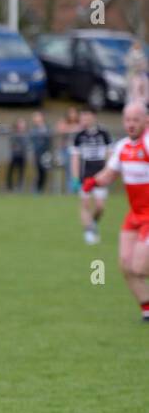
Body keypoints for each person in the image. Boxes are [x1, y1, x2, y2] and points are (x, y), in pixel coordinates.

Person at [83, 101, 149, 322]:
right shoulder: (122, 147)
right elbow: (110, 174)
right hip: (135, 214)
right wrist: (92, 182)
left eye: (136, 120)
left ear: (146, 121)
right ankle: (147, 310)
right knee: (125, 264)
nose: (131, 124)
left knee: (139, 267)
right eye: (127, 120)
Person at [69, 107, 113, 245]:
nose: (84, 119)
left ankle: (93, 223)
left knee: (100, 207)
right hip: (85, 176)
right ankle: (88, 231)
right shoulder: (79, 136)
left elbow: (110, 154)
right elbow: (75, 158)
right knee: (85, 204)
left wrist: (108, 173)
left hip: (100, 176)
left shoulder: (104, 133)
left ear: (93, 117)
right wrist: (75, 178)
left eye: (86, 116)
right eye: (82, 117)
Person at [29, 111, 52, 194]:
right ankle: (36, 189)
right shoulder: (33, 130)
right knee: (37, 172)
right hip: (37, 154)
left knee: (44, 172)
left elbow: (49, 140)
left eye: (37, 116)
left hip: (45, 153)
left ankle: (40, 189)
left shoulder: (47, 128)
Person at [6, 118, 28, 192]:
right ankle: (9, 187)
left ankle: (20, 187)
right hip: (14, 156)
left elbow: (25, 145)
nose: (21, 126)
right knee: (11, 171)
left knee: (21, 172)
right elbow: (13, 145)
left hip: (22, 156)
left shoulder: (26, 135)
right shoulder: (14, 134)